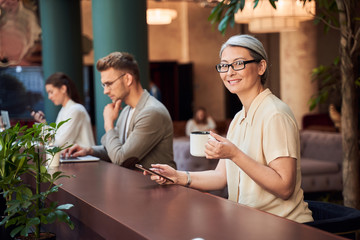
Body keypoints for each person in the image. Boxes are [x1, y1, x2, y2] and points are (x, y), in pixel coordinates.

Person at [145, 34, 313, 223]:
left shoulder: (275, 114)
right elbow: (220, 176)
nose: (229, 72)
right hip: (247, 224)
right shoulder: (239, 118)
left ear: (261, 67)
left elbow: (284, 187)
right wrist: (177, 176)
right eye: (224, 65)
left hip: (283, 226)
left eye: (238, 63)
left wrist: (234, 154)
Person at [64, 52, 176, 169]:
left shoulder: (151, 112)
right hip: (131, 183)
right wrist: (88, 150)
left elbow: (120, 159)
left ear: (128, 79)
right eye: (104, 85)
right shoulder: (127, 110)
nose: (105, 91)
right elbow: (113, 149)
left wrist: (109, 124)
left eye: (109, 84)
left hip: (156, 186)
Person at [31, 72, 95, 148]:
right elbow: (57, 136)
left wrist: (44, 129)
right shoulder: (64, 109)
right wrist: (43, 123)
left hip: (84, 158)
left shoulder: (76, 109)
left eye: (51, 92)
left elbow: (60, 143)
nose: (49, 97)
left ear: (63, 89)